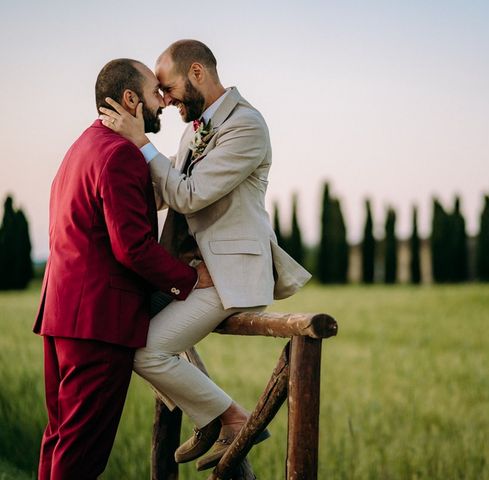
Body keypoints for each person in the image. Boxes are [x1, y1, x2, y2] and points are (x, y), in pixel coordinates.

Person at [99, 39, 311, 472]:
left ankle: (231, 419)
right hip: (194, 272)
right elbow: (164, 192)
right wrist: (112, 160)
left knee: (146, 352)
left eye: (169, 88)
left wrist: (140, 143)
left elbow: (189, 195)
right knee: (123, 324)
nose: (164, 99)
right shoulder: (192, 130)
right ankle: (216, 420)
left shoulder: (247, 126)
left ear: (197, 73)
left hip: (230, 275)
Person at [33, 59, 214, 480]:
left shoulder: (81, 148)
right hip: (98, 324)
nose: (163, 103)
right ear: (131, 99)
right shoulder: (121, 155)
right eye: (155, 94)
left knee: (59, 438)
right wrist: (191, 279)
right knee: (80, 454)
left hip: (61, 314)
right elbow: (132, 248)